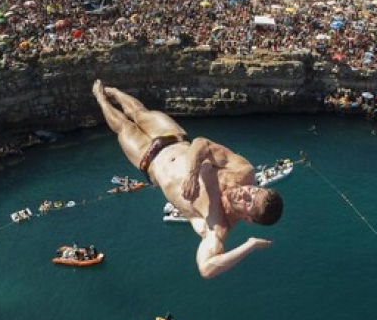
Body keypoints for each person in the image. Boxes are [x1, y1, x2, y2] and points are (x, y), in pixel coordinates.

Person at [92, 81, 283, 278]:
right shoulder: (243, 171)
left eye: (249, 202)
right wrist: (192, 174)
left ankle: (100, 97)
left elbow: (207, 269)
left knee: (122, 126)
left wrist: (249, 246)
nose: (245, 193)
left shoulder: (216, 226)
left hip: (148, 160)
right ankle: (115, 91)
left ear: (247, 219)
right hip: (172, 136)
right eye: (253, 191)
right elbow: (202, 143)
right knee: (139, 112)